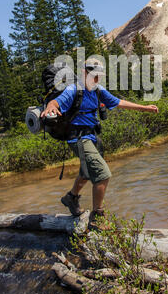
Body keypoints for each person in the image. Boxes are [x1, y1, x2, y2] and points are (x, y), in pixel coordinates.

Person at [41, 58, 158, 230]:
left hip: (92, 136)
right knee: (102, 174)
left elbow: (119, 102)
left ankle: (71, 198)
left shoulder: (98, 90)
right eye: (93, 75)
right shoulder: (74, 89)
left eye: (99, 76)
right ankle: (97, 218)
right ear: (84, 73)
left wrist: (145, 108)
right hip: (78, 138)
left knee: (87, 171)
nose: (96, 79)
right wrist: (51, 106)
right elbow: (56, 102)